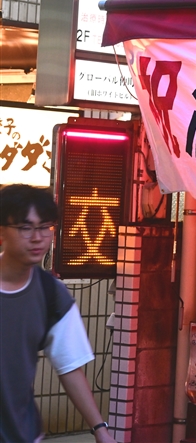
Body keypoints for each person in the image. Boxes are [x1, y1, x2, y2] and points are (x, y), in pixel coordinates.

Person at [0, 184, 115, 443]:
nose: (37, 237)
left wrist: (100, 430)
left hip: (23, 434)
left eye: (45, 227)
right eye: (25, 227)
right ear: (2, 231)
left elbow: (70, 366)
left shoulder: (52, 294)